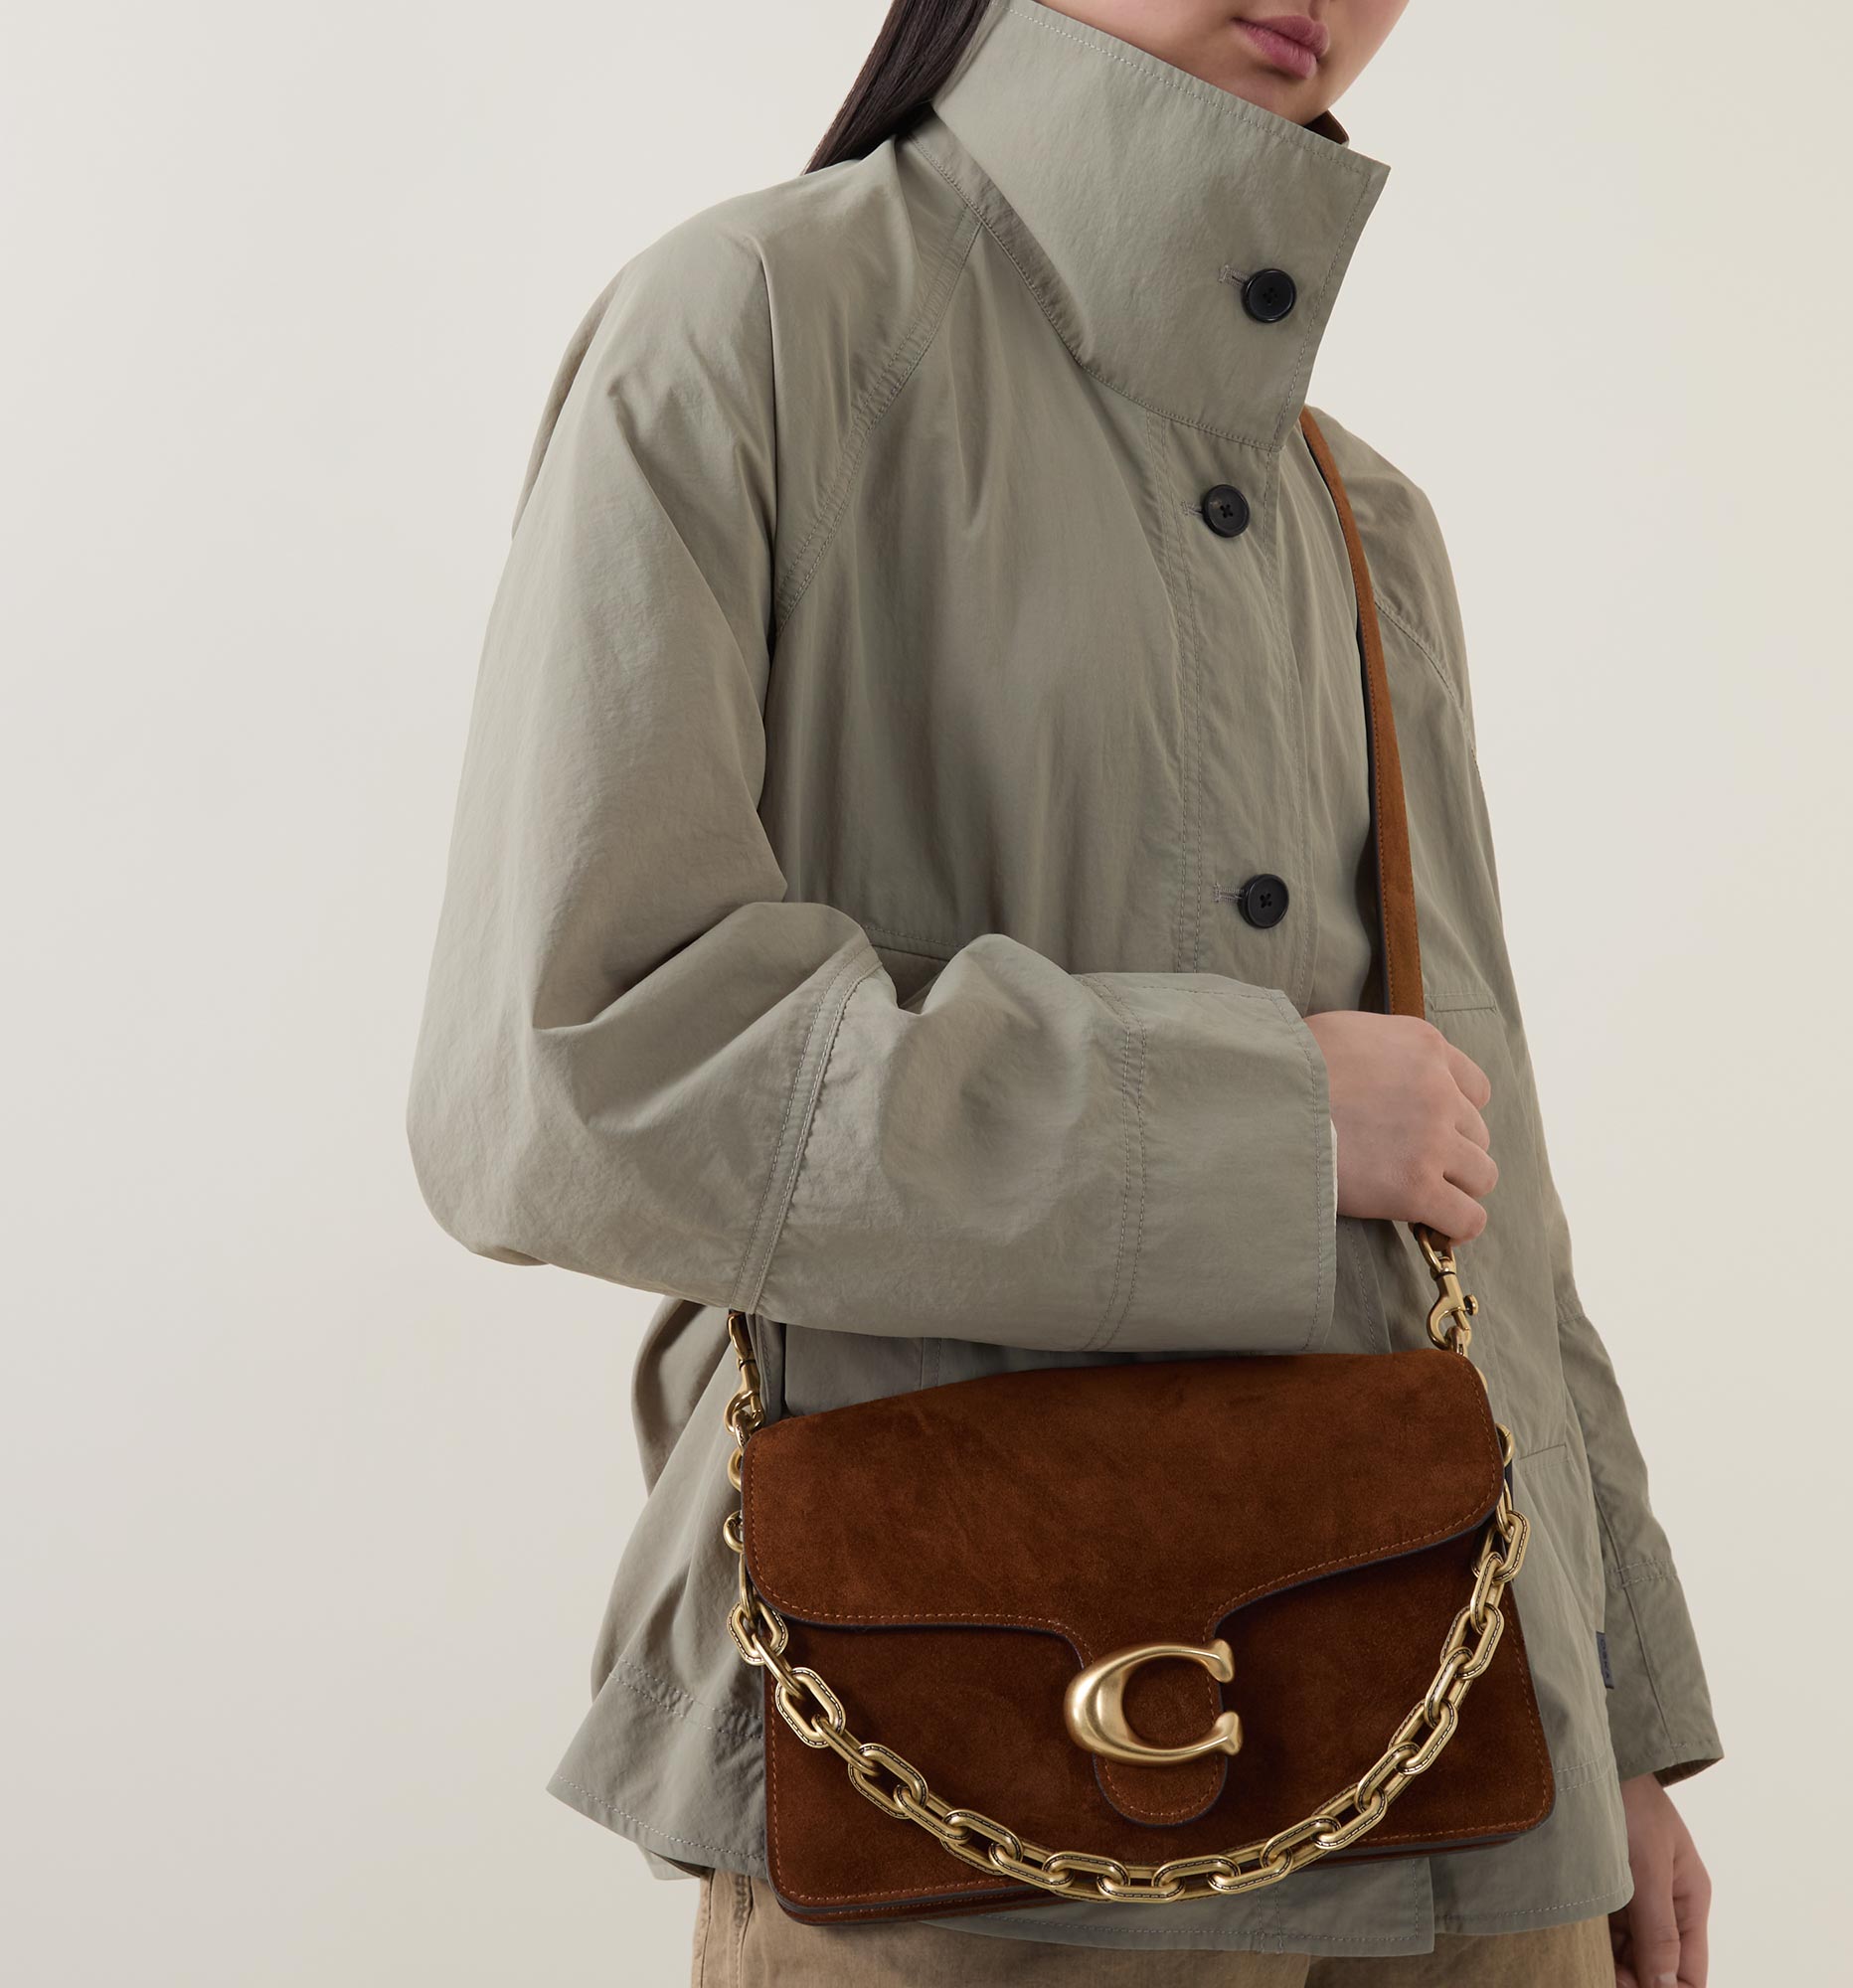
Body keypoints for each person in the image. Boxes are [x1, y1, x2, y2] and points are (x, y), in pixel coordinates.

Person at [407, 2, 1724, 1981]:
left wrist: (1617, 1713)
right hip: (982, 1792)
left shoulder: (1365, 516)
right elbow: (568, 1068)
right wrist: (1264, 1127)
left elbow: (1490, 1177)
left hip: (1480, 1793)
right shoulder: (756, 328)